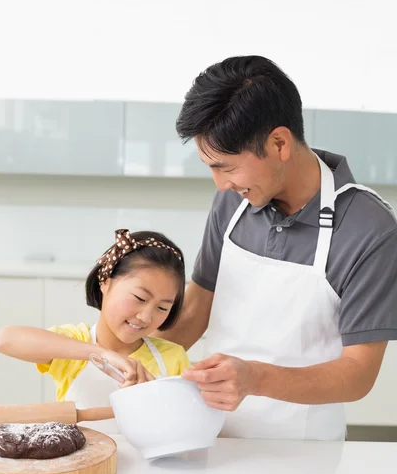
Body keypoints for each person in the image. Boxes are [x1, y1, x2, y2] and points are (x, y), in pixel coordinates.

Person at [156, 55, 397, 441]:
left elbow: (358, 373)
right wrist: (128, 352)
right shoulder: (233, 201)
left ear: (279, 143)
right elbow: (198, 309)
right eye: (211, 168)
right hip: (212, 437)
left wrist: (254, 378)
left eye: (227, 167)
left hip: (303, 455)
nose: (219, 185)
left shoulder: (369, 230)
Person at [0, 229, 190, 432]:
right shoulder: (75, 342)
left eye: (162, 308)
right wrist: (100, 353)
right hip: (80, 462)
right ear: (105, 281)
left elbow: (183, 425)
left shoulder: (172, 357)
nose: (146, 317)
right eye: (140, 298)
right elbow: (5, 339)